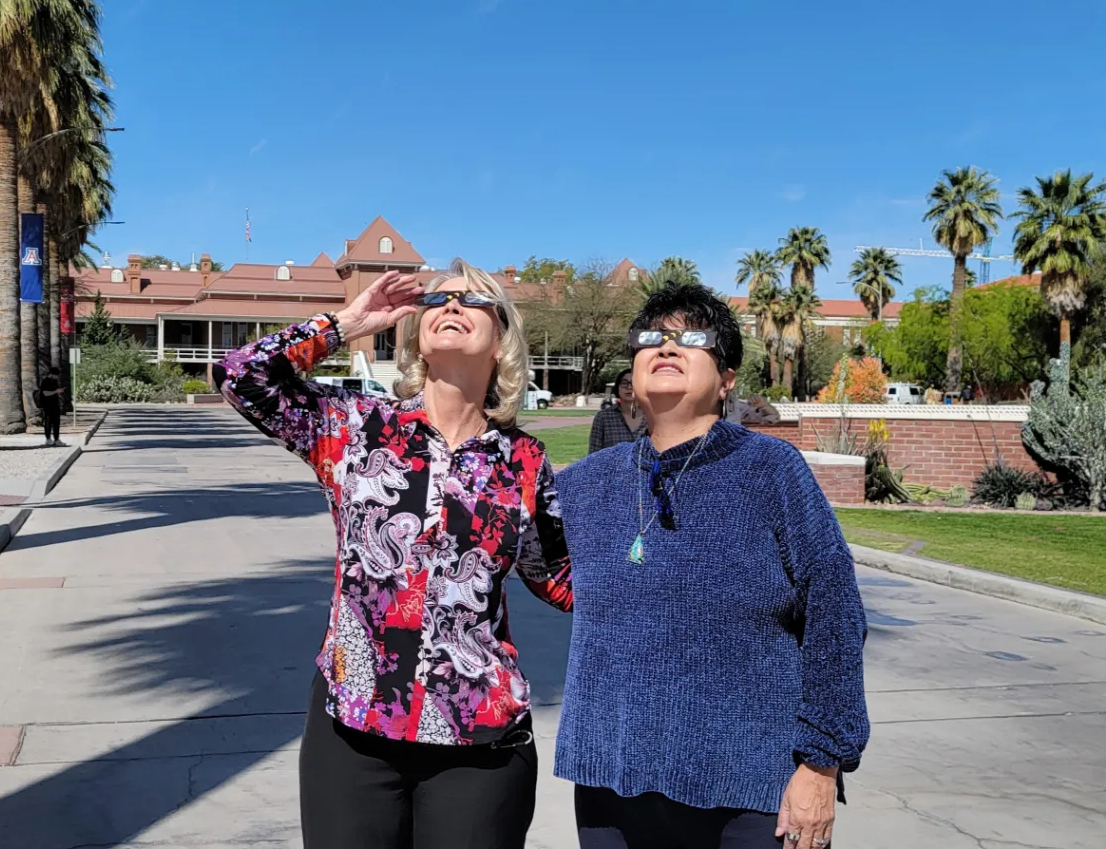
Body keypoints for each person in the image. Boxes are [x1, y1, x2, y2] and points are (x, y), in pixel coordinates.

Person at [214, 261, 573, 849]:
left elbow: (559, 579)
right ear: (417, 334)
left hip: (479, 740)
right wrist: (348, 322)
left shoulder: (525, 462)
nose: (451, 306)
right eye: (438, 298)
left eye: (473, 300)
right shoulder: (357, 428)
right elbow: (240, 375)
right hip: (353, 731)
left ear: (503, 338)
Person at [554, 283, 869, 849]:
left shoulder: (771, 469)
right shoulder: (586, 485)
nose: (666, 347)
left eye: (691, 338)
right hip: (611, 781)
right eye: (651, 338)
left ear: (726, 380)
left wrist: (821, 763)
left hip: (748, 789)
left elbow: (835, 608)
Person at [588, 367, 645, 453]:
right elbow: (593, 454)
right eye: (624, 383)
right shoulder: (603, 417)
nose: (629, 387)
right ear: (617, 387)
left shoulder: (652, 417)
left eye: (633, 383)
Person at [39, 367, 65, 446]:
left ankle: (57, 439)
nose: (57, 377)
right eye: (56, 375)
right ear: (52, 374)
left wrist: (59, 391)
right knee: (48, 422)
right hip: (47, 405)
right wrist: (55, 391)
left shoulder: (55, 381)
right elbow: (45, 393)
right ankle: (48, 439)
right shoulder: (45, 381)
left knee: (56, 423)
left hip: (55, 404)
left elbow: (55, 391)